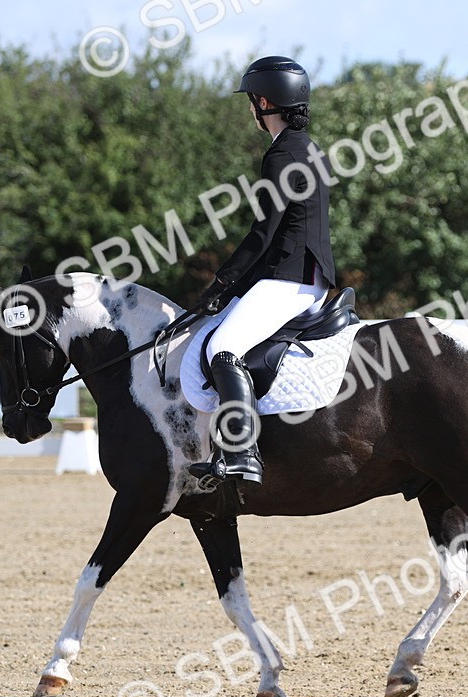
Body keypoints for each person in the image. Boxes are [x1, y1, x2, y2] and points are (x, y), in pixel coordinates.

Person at [188, 56, 337, 487]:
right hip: (303, 273)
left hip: (290, 279)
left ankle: (241, 451)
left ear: (265, 101)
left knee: (223, 347)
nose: (251, 109)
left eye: (252, 101)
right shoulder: (306, 147)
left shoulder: (281, 154)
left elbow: (264, 233)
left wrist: (221, 281)